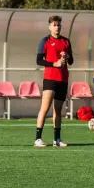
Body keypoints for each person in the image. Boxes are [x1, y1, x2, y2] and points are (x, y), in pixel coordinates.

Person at [35, 15, 73, 147]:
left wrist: (67, 56)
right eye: (54, 25)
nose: (57, 27)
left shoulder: (66, 41)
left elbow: (72, 61)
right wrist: (54, 64)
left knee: (58, 109)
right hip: (50, 79)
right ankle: (38, 138)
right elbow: (39, 60)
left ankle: (57, 139)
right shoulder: (45, 41)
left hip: (63, 79)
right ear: (50, 26)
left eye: (59, 25)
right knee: (45, 108)